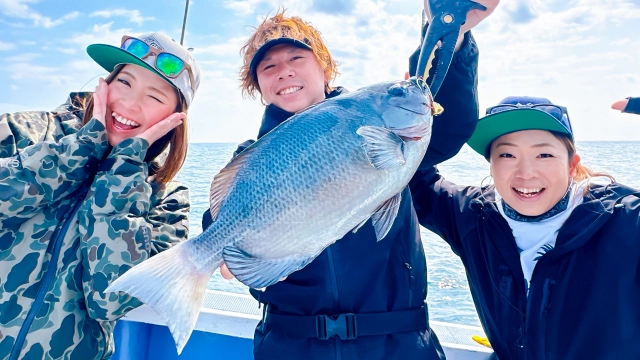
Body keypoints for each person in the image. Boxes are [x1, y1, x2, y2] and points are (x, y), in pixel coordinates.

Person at [200, 4, 497, 359]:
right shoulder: (250, 160)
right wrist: (236, 258)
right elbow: (223, 225)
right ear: (258, 87)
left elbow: (448, 123)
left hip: (397, 344)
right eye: (268, 67)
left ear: (324, 68)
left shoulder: (380, 123)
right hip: (292, 345)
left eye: (297, 57)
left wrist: (451, 35)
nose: (284, 71)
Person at [0, 32, 200, 359]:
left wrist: (124, 174)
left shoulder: (168, 200)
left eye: (155, 96)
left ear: (175, 119)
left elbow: (109, 301)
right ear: (105, 83)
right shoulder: (31, 131)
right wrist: (80, 150)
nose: (130, 104)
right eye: (125, 82)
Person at [410, 96, 640, 359]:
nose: (526, 172)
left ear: (572, 164)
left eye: (544, 154)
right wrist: (418, 116)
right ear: (491, 165)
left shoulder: (626, 220)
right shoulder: (472, 215)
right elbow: (413, 179)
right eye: (507, 154)